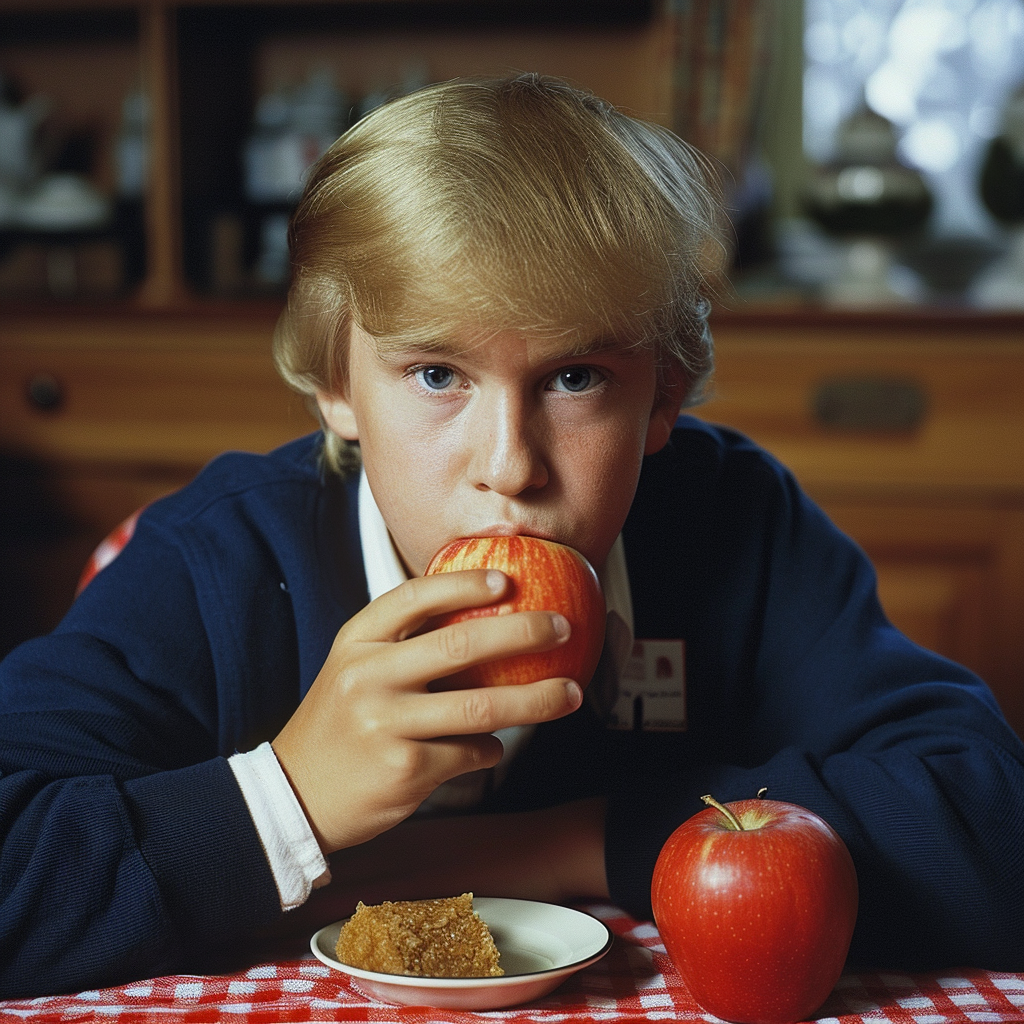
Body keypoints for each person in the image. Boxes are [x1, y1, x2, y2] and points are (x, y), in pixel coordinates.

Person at [1, 74, 1022, 1000]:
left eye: (575, 377)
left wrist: (559, 842)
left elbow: (992, 826)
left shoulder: (735, 525)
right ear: (335, 384)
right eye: (437, 374)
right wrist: (292, 792)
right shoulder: (215, 564)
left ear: (661, 394)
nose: (511, 465)